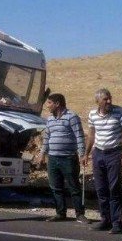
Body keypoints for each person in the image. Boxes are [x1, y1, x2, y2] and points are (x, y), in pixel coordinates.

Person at [83, 88, 122, 234]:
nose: (109, 101)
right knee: (101, 188)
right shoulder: (92, 114)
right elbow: (91, 135)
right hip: (98, 154)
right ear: (98, 101)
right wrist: (86, 154)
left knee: (114, 188)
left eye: (110, 98)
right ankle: (105, 219)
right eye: (105, 99)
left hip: (114, 153)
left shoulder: (120, 112)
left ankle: (117, 223)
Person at [39, 93, 89, 224]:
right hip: (53, 158)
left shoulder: (71, 117)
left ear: (57, 104)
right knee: (56, 187)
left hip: (68, 158)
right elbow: (47, 138)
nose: (47, 106)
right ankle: (60, 213)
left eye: (49, 103)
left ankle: (80, 214)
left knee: (74, 187)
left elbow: (79, 136)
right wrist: (42, 154)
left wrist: (82, 154)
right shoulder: (50, 120)